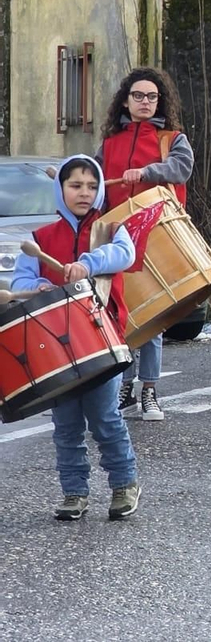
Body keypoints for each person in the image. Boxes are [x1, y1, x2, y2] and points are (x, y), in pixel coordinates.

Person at [11, 155, 142, 521]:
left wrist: (88, 263)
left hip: (101, 340)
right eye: (75, 185)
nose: (84, 192)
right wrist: (37, 285)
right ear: (60, 190)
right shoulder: (41, 238)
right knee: (66, 423)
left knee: (104, 417)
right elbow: (20, 282)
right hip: (55, 347)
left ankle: (123, 483)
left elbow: (124, 254)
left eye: (91, 185)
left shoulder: (110, 229)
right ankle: (74, 493)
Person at [99, 67, 192, 423]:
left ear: (159, 100)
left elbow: (180, 169)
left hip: (158, 234)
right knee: (123, 314)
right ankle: (125, 386)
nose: (145, 102)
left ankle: (149, 389)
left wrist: (148, 172)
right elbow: (95, 183)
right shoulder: (110, 143)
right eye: (138, 96)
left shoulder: (173, 138)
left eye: (151, 96)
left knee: (152, 316)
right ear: (126, 99)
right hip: (119, 237)